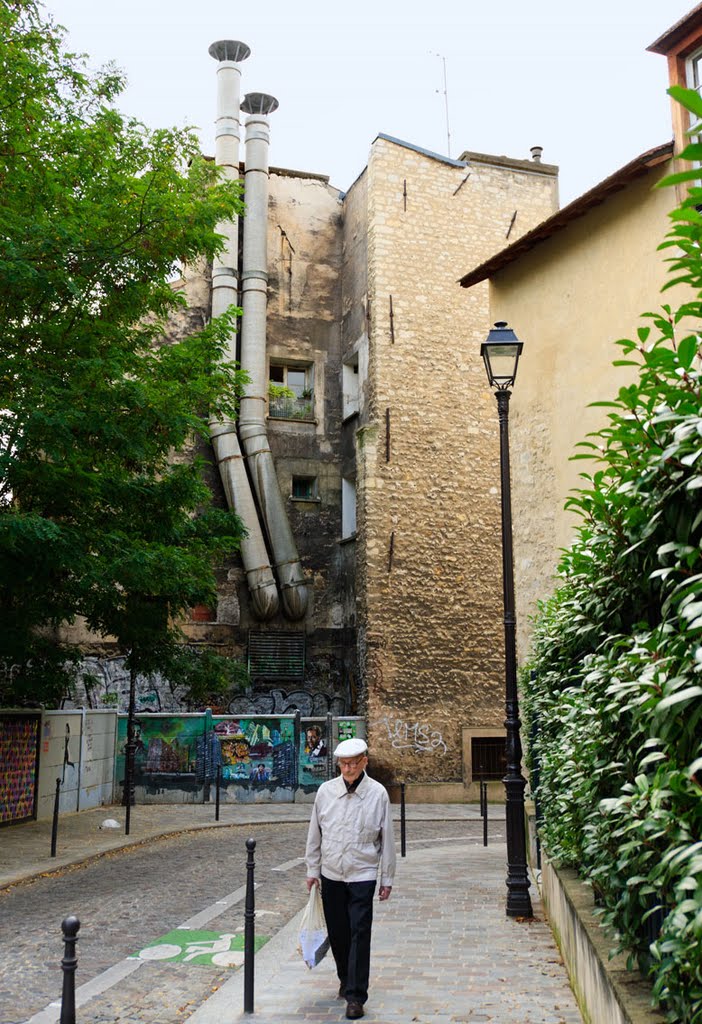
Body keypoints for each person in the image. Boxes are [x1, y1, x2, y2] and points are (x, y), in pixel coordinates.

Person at [305, 738, 396, 1021]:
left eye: (355, 762)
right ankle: (345, 978)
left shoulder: (378, 794)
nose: (349, 768)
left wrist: (387, 877)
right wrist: (312, 870)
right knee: (340, 933)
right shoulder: (325, 792)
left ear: (365, 761)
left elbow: (388, 839)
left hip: (363, 873)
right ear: (338, 765)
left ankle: (356, 996)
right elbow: (314, 833)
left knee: (359, 933)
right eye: (344, 763)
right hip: (332, 873)